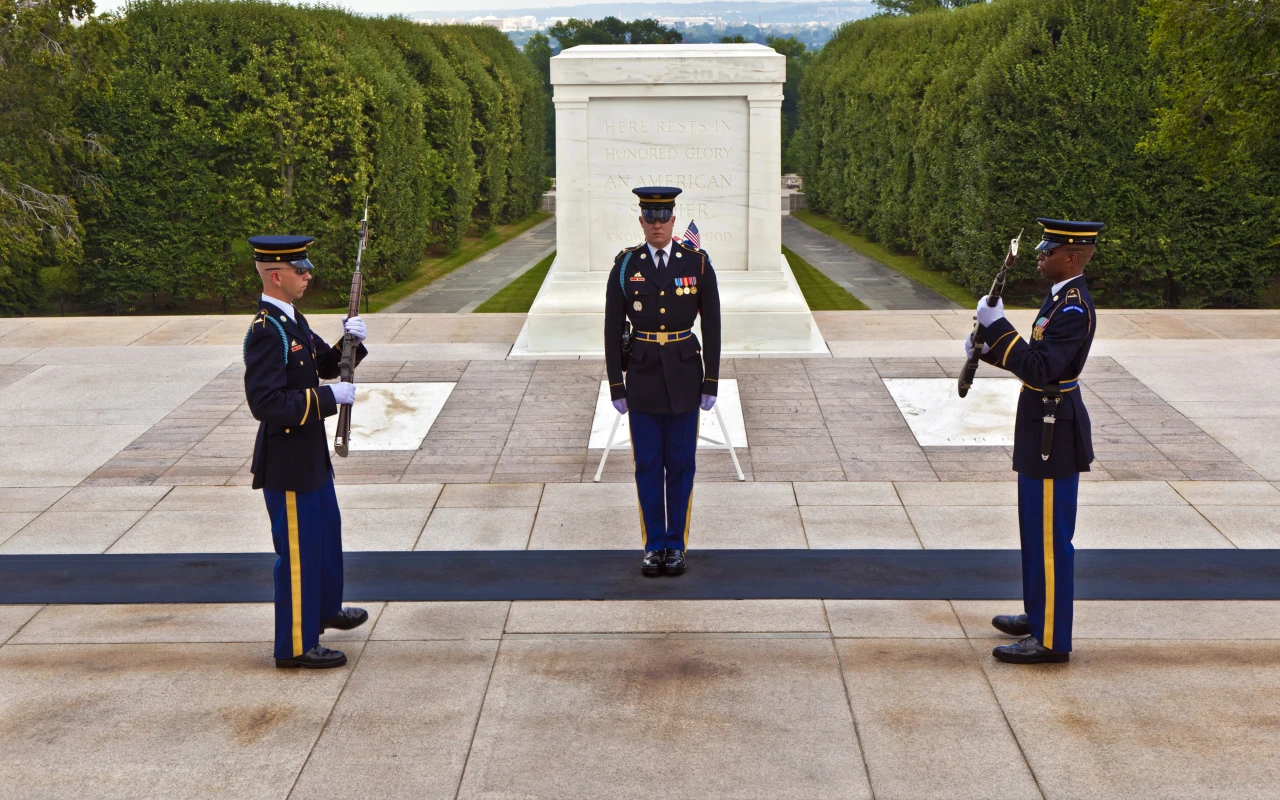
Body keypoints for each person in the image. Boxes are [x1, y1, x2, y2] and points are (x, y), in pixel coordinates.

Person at [968, 218, 1103, 664]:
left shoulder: (1072, 308)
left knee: (1050, 539)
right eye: (1042, 248)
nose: (1041, 256)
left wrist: (999, 328)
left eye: (1048, 251)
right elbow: (1034, 359)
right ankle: (1037, 612)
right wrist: (987, 347)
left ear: (1071, 257)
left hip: (1053, 432)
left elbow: (1042, 369)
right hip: (1040, 423)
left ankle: (1049, 639)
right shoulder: (1058, 298)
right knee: (1034, 532)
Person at [243, 234, 369, 669]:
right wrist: (331, 399)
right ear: (276, 275)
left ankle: (324, 609)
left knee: (325, 538)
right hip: (288, 463)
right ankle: (295, 646)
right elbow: (266, 403)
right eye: (301, 269)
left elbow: (326, 365)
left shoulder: (292, 319)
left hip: (310, 456)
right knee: (298, 554)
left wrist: (351, 343)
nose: (308, 274)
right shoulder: (267, 331)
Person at [604, 187, 721, 576]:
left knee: (682, 464)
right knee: (648, 465)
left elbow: (714, 326)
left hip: (686, 376)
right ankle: (653, 545)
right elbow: (611, 329)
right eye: (650, 218)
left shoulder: (698, 263)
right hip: (642, 378)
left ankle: (677, 545)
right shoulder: (626, 265)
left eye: (664, 217)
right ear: (641, 222)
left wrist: (711, 381)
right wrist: (616, 385)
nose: (657, 225)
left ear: (673, 221)